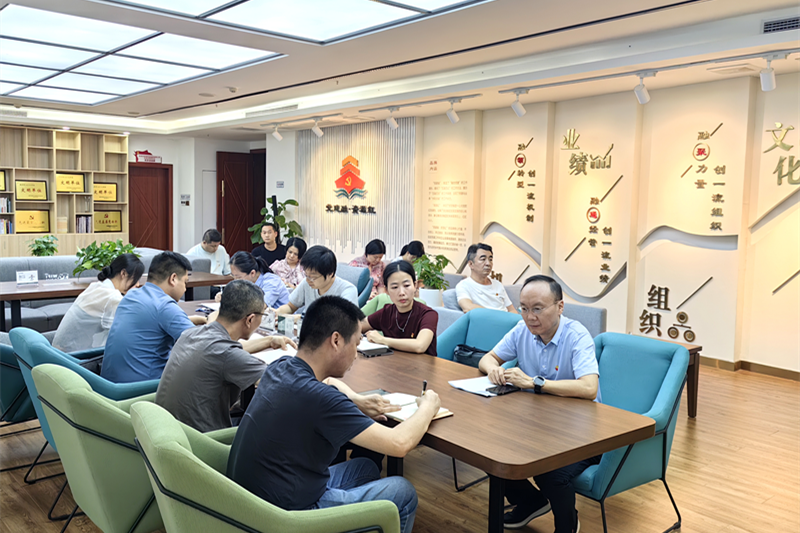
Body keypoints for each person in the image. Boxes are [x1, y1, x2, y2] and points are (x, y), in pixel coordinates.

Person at [227, 296, 441, 533]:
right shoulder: (321, 398)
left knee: (366, 468)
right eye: (356, 344)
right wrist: (428, 406)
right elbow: (399, 443)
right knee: (403, 491)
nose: (356, 355)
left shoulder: (281, 366)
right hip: (289, 515)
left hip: (253, 499)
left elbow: (327, 383)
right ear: (336, 340)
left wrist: (355, 400)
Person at [478, 275, 599, 533]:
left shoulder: (577, 335)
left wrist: (535, 382)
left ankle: (567, 526)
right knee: (490, 451)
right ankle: (530, 502)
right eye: (523, 308)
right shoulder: (521, 330)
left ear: (560, 306)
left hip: (581, 431)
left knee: (550, 474)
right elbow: (488, 358)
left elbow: (589, 388)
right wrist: (493, 370)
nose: (529, 317)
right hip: (537, 425)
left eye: (537, 309)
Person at [156, 280, 296, 433]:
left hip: (167, 430)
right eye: (263, 314)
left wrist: (268, 341)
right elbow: (283, 384)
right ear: (250, 319)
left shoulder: (192, 333)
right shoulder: (227, 354)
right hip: (205, 440)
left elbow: (226, 351)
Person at [101, 252, 207, 383]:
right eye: (185, 282)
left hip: (108, 386)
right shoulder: (165, 306)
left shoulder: (131, 295)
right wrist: (214, 320)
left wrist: (191, 319)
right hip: (141, 389)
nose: (185, 289)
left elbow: (153, 323)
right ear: (173, 279)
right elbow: (204, 346)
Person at [52, 253, 145, 353]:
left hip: (60, 354)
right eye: (136, 279)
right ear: (123, 274)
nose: (137, 284)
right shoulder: (112, 297)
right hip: (75, 357)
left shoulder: (96, 287)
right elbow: (127, 332)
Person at [360, 261, 438, 356]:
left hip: (423, 364)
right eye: (395, 287)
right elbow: (359, 326)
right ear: (386, 290)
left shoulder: (428, 314)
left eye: (406, 286)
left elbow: (420, 346)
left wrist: (382, 340)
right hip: (393, 363)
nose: (401, 293)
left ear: (415, 285)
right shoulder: (386, 312)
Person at [275, 245, 358, 314]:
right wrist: (276, 312)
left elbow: (343, 321)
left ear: (330, 274)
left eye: (313, 277)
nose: (308, 280)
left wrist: (300, 319)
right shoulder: (306, 283)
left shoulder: (347, 290)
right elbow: (290, 306)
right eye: (306, 275)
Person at [456, 243, 516, 313]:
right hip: (487, 319)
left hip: (506, 319)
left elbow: (511, 309)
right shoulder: (463, 285)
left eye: (490, 259)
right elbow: (468, 307)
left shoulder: (497, 284)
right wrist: (498, 316)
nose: (488, 263)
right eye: (483, 259)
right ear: (471, 264)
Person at [219, 251, 290, 308]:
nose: (235, 281)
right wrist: (224, 297)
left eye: (239, 277)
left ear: (252, 273)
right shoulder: (247, 282)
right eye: (233, 276)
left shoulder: (272, 281)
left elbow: (260, 306)